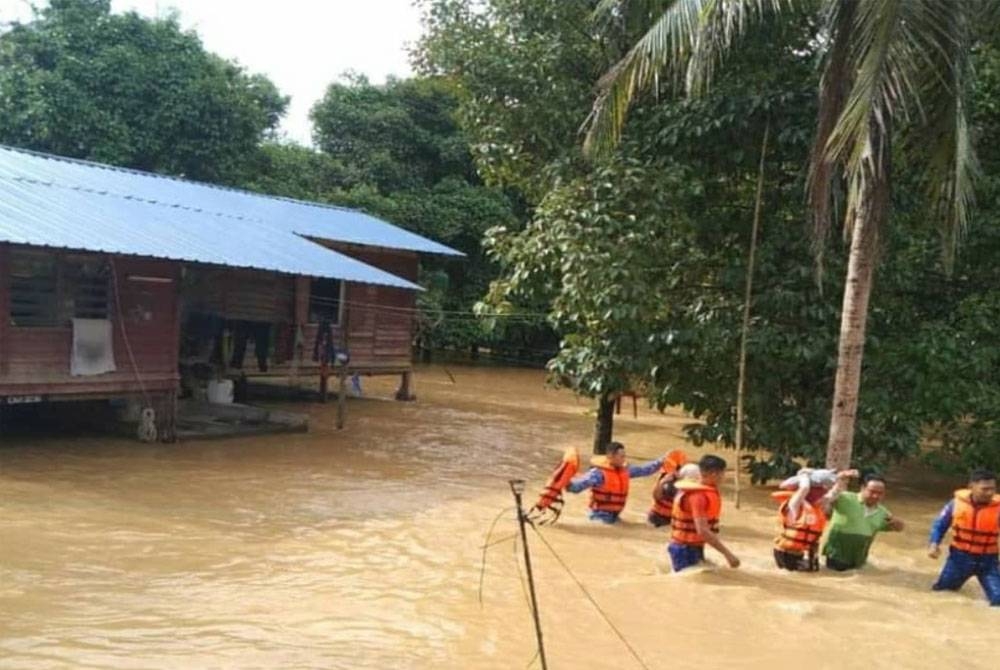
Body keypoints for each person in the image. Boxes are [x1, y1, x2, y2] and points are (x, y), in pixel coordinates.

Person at [928, 469, 1000, 606]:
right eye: (985, 489)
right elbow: (939, 525)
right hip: (959, 559)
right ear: (971, 486)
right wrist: (934, 544)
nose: (990, 493)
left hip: (988, 561)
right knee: (941, 593)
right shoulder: (955, 504)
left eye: (993, 489)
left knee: (998, 599)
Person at [667, 455, 740, 572]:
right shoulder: (698, 497)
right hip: (684, 549)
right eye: (723, 474)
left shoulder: (701, 491)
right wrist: (728, 555)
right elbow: (702, 531)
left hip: (692, 546)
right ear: (714, 474)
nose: (724, 478)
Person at [821, 472, 904, 571]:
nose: (875, 496)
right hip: (837, 554)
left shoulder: (883, 513)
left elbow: (898, 528)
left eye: (880, 493)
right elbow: (824, 501)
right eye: (872, 492)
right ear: (862, 488)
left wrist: (899, 524)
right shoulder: (845, 498)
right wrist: (841, 479)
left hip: (859, 558)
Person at [565, 442, 664, 523]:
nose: (624, 459)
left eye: (624, 456)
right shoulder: (598, 474)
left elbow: (645, 470)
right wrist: (565, 481)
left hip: (615, 517)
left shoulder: (625, 470)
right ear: (611, 456)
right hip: (599, 517)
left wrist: (662, 461)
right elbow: (576, 488)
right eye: (621, 456)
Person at [772, 468, 835, 572]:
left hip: (799, 553)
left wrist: (842, 476)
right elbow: (804, 488)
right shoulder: (795, 504)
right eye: (819, 493)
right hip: (785, 553)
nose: (822, 496)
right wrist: (804, 475)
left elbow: (832, 494)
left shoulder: (816, 507)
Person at [647, 450, 691, 527]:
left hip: (672, 520)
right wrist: (662, 482)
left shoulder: (687, 482)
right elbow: (656, 497)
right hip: (655, 517)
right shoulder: (665, 477)